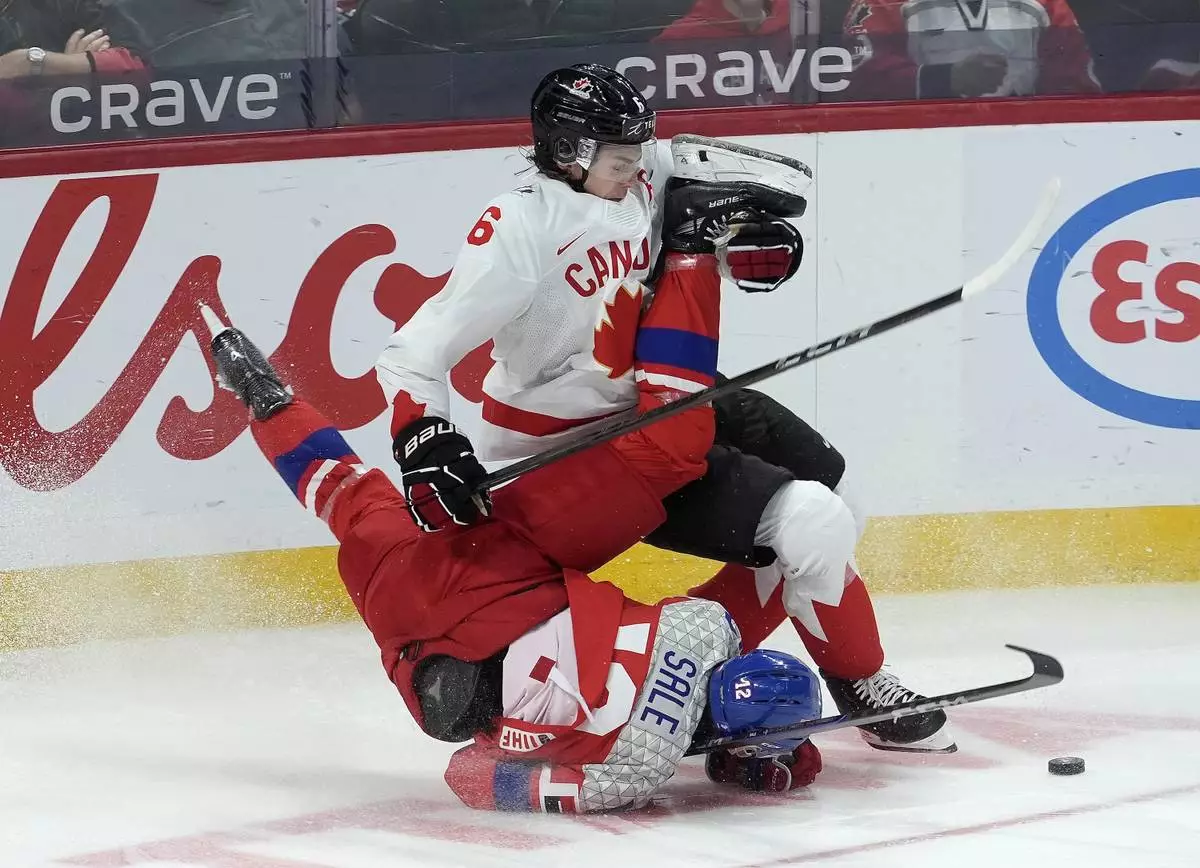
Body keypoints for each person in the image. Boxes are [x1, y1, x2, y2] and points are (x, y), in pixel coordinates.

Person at [376, 62, 955, 754]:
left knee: (834, 507)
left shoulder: (653, 166)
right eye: (619, 159)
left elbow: (786, 188)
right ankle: (738, 669)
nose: (636, 168)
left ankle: (779, 669)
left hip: (662, 404)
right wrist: (426, 440)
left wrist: (757, 239)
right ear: (568, 153)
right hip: (561, 454)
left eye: (637, 152)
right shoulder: (519, 227)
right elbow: (413, 352)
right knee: (815, 524)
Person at [197, 208, 824, 812]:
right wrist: (745, 754)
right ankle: (268, 403)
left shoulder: (704, 632)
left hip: (488, 575)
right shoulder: (628, 774)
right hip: (429, 657)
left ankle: (266, 400)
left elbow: (707, 645)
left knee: (670, 444)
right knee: (349, 498)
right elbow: (468, 775)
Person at [841, 0, 1099, 100]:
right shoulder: (881, 1)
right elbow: (861, 76)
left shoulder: (1047, 2)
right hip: (919, 144)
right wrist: (947, 79)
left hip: (1023, 143)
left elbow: (1075, 80)